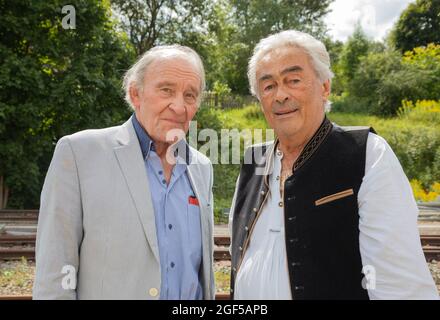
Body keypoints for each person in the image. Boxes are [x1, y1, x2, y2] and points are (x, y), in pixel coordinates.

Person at [229, 30, 439, 300]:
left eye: (293, 80)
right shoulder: (252, 162)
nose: (280, 95)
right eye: (268, 86)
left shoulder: (367, 154)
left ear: (324, 87)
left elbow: (402, 289)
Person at [33, 45, 215, 300]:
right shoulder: (78, 153)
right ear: (135, 93)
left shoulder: (202, 167)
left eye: (190, 95)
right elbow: (54, 274)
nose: (179, 106)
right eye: (166, 90)